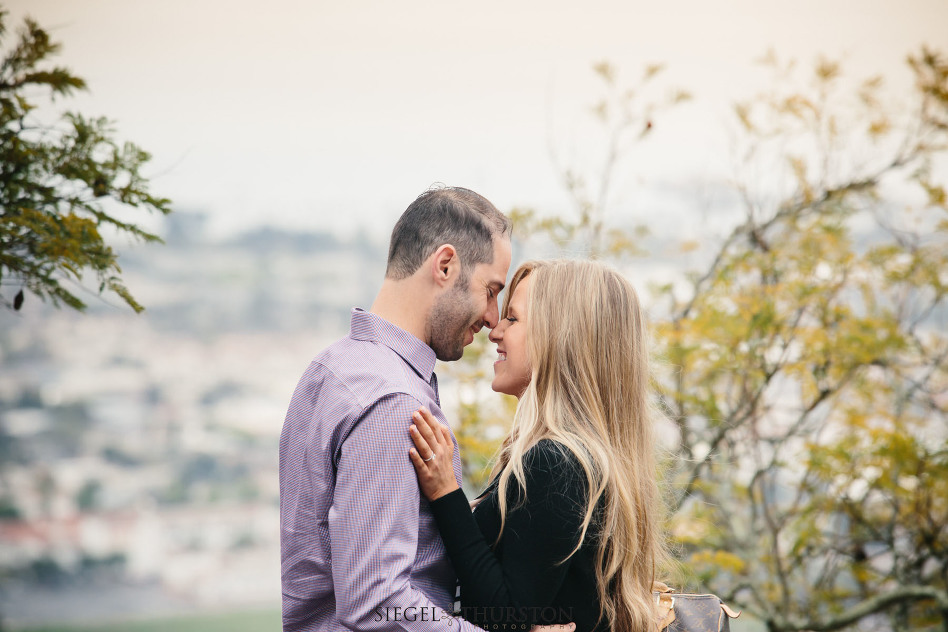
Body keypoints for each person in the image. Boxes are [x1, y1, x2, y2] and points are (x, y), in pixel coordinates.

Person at [279, 186, 513, 632]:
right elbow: (376, 600)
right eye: (490, 290)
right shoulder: (391, 402)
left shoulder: (331, 367)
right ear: (445, 265)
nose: (491, 316)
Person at [408, 259, 670, 632]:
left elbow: (506, 616)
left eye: (513, 319)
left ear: (560, 338)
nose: (494, 331)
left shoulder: (557, 463)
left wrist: (445, 494)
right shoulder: (583, 457)